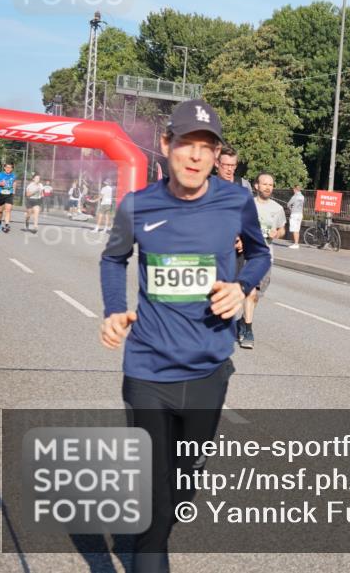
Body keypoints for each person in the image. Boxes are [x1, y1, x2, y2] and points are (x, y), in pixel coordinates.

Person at [99, 99, 270, 572]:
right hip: (147, 369)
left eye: (207, 147)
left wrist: (241, 286)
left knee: (183, 479)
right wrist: (115, 309)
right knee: (154, 512)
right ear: (165, 145)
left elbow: (260, 255)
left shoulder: (235, 201)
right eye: (186, 144)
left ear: (217, 156)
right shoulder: (138, 205)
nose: (196, 156)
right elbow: (113, 259)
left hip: (208, 369)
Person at [239, 172, 285, 349]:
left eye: (271, 185)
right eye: (264, 184)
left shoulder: (277, 209)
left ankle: (243, 322)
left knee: (256, 296)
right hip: (248, 255)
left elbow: (282, 229)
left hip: (266, 257)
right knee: (249, 293)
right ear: (256, 186)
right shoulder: (247, 205)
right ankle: (248, 331)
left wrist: (277, 233)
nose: (268, 187)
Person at [216, 144, 252, 342]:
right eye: (225, 165)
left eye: (233, 165)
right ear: (216, 164)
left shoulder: (242, 185)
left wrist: (243, 239)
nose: (230, 169)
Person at [0, 162, 16, 233]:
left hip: (9, 194)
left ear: (12, 169)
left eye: (10, 168)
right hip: (0, 194)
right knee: (0, 211)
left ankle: (7, 224)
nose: (8, 169)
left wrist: (14, 191)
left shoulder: (13, 175)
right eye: (7, 167)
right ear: (4, 168)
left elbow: (14, 182)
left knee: (8, 209)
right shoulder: (0, 174)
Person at [287, 184, 305, 249]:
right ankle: (296, 243)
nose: (293, 191)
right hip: (300, 214)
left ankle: (296, 244)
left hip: (294, 214)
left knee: (294, 229)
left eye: (293, 190)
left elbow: (288, 204)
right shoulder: (302, 197)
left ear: (295, 189)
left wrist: (291, 208)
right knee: (297, 229)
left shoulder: (295, 196)